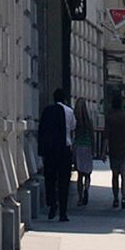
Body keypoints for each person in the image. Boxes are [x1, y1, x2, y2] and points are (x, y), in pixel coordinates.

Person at [37, 88, 74, 222]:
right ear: (65, 99)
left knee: (50, 179)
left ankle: (52, 203)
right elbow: (73, 127)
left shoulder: (47, 111)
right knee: (64, 181)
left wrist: (41, 151)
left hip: (50, 150)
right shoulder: (69, 112)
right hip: (64, 149)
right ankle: (63, 212)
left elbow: (41, 130)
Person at [104, 92, 125, 208]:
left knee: (114, 175)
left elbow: (106, 137)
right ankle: (124, 198)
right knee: (124, 175)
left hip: (114, 151)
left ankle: (115, 199)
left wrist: (103, 152)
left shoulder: (109, 117)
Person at [72, 98, 95, 206]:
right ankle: (87, 188)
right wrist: (94, 149)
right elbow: (92, 135)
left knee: (79, 175)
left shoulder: (75, 120)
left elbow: (72, 134)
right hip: (87, 147)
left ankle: (80, 197)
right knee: (87, 173)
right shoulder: (88, 121)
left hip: (78, 147)